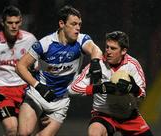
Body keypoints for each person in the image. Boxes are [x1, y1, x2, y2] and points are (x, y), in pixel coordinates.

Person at [16, 5, 102, 136]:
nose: (78, 28)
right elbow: (20, 66)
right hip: (37, 95)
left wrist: (95, 62)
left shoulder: (81, 39)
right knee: (24, 133)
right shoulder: (45, 43)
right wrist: (39, 86)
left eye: (79, 24)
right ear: (62, 24)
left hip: (60, 101)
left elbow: (96, 50)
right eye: (73, 24)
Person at [68, 31, 154, 136]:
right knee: (94, 133)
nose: (108, 51)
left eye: (113, 48)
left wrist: (134, 89)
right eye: (107, 47)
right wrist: (99, 88)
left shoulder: (133, 65)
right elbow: (72, 89)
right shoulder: (97, 64)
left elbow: (142, 95)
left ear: (123, 51)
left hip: (129, 116)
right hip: (103, 115)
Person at [0, 5, 37, 136]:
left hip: (25, 90)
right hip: (2, 91)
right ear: (2, 23)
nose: (14, 26)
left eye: (17, 22)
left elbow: (36, 67)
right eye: (10, 23)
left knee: (25, 132)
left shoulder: (30, 39)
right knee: (12, 128)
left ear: (21, 22)